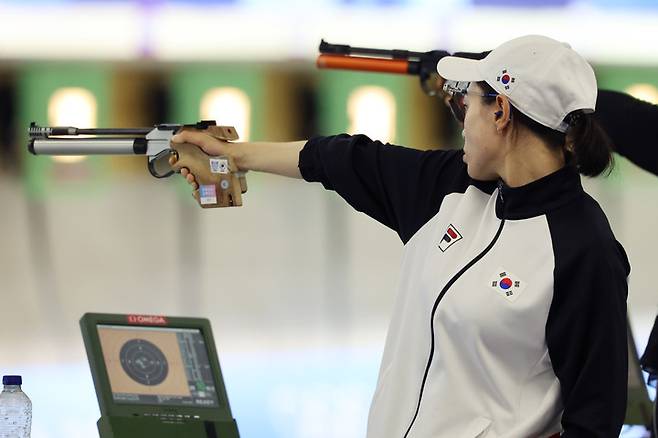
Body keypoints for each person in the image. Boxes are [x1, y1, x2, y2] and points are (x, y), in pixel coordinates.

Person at [170, 35, 630, 437]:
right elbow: (343, 159)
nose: (461, 118)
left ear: (501, 112)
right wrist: (233, 155)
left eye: (466, 102)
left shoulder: (583, 251)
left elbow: (595, 421)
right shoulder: (453, 188)